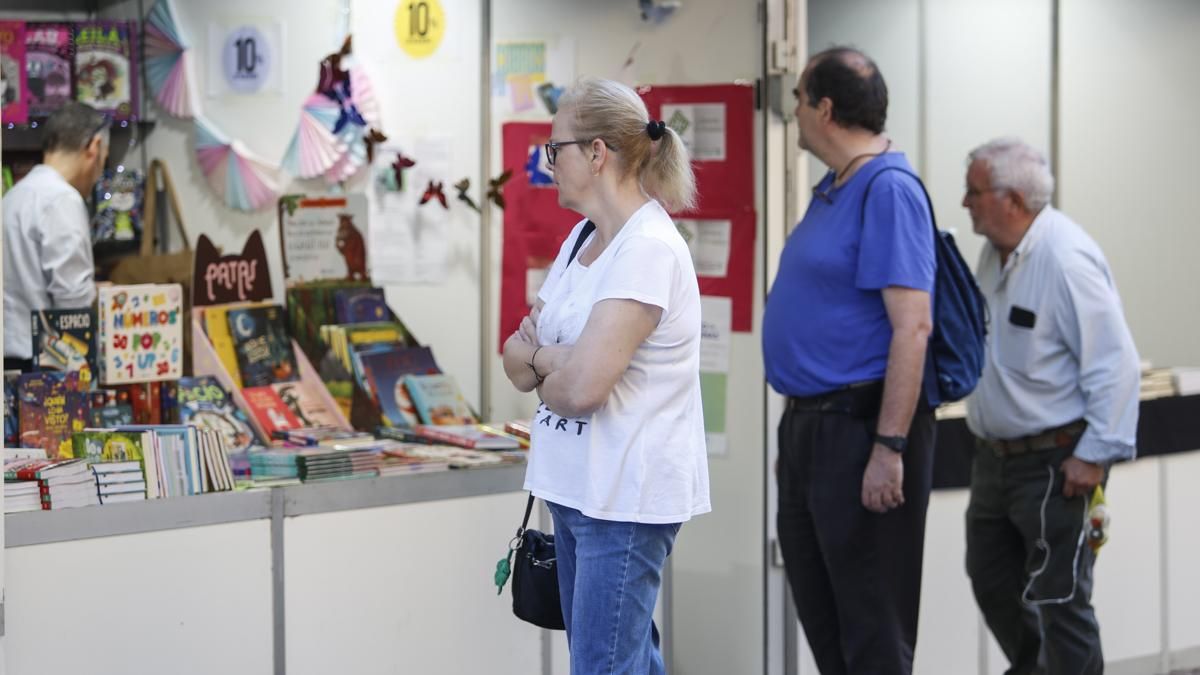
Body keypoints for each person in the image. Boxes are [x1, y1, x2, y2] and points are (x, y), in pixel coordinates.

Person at [502, 76, 710, 674]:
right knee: (621, 663)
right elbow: (515, 360)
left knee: (604, 667)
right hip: (573, 487)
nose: (548, 165)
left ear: (596, 153)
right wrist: (554, 359)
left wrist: (549, 359)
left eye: (555, 150)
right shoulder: (582, 239)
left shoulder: (647, 248)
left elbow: (583, 390)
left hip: (623, 497)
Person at [762, 46, 937, 674]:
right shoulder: (837, 187)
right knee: (826, 617)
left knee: (871, 628)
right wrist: (802, 428)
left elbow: (912, 328)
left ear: (825, 109)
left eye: (800, 98)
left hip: (862, 430)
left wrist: (888, 447)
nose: (795, 111)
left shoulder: (888, 189)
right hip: (815, 426)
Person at [962, 138, 1139, 675]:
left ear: (1012, 199)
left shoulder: (1066, 259)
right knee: (991, 578)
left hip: (1054, 463)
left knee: (1060, 602)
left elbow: (1116, 364)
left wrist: (1095, 455)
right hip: (994, 460)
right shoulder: (994, 253)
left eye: (974, 192)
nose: (965, 202)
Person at [3, 102, 108, 372]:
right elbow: (71, 300)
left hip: (11, 358)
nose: (98, 176)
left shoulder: (14, 196)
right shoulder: (62, 199)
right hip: (48, 364)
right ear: (94, 148)